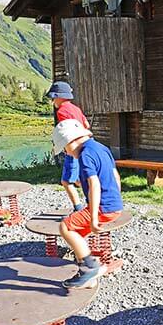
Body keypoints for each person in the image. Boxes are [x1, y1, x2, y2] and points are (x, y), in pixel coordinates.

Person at [51, 119, 123, 289]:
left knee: (65, 227)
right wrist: (117, 200)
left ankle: (90, 268)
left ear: (71, 141)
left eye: (65, 149)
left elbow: (94, 184)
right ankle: (87, 277)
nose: (67, 153)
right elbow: (115, 176)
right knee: (77, 233)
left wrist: (93, 217)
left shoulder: (85, 155)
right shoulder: (102, 148)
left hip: (101, 207)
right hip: (114, 205)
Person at [46, 81, 91, 212]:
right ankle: (92, 203)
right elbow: (86, 125)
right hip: (84, 147)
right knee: (78, 180)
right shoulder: (76, 108)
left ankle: (78, 209)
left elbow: (67, 132)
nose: (52, 101)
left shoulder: (62, 111)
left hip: (72, 150)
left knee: (66, 182)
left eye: (53, 98)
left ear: (59, 97)